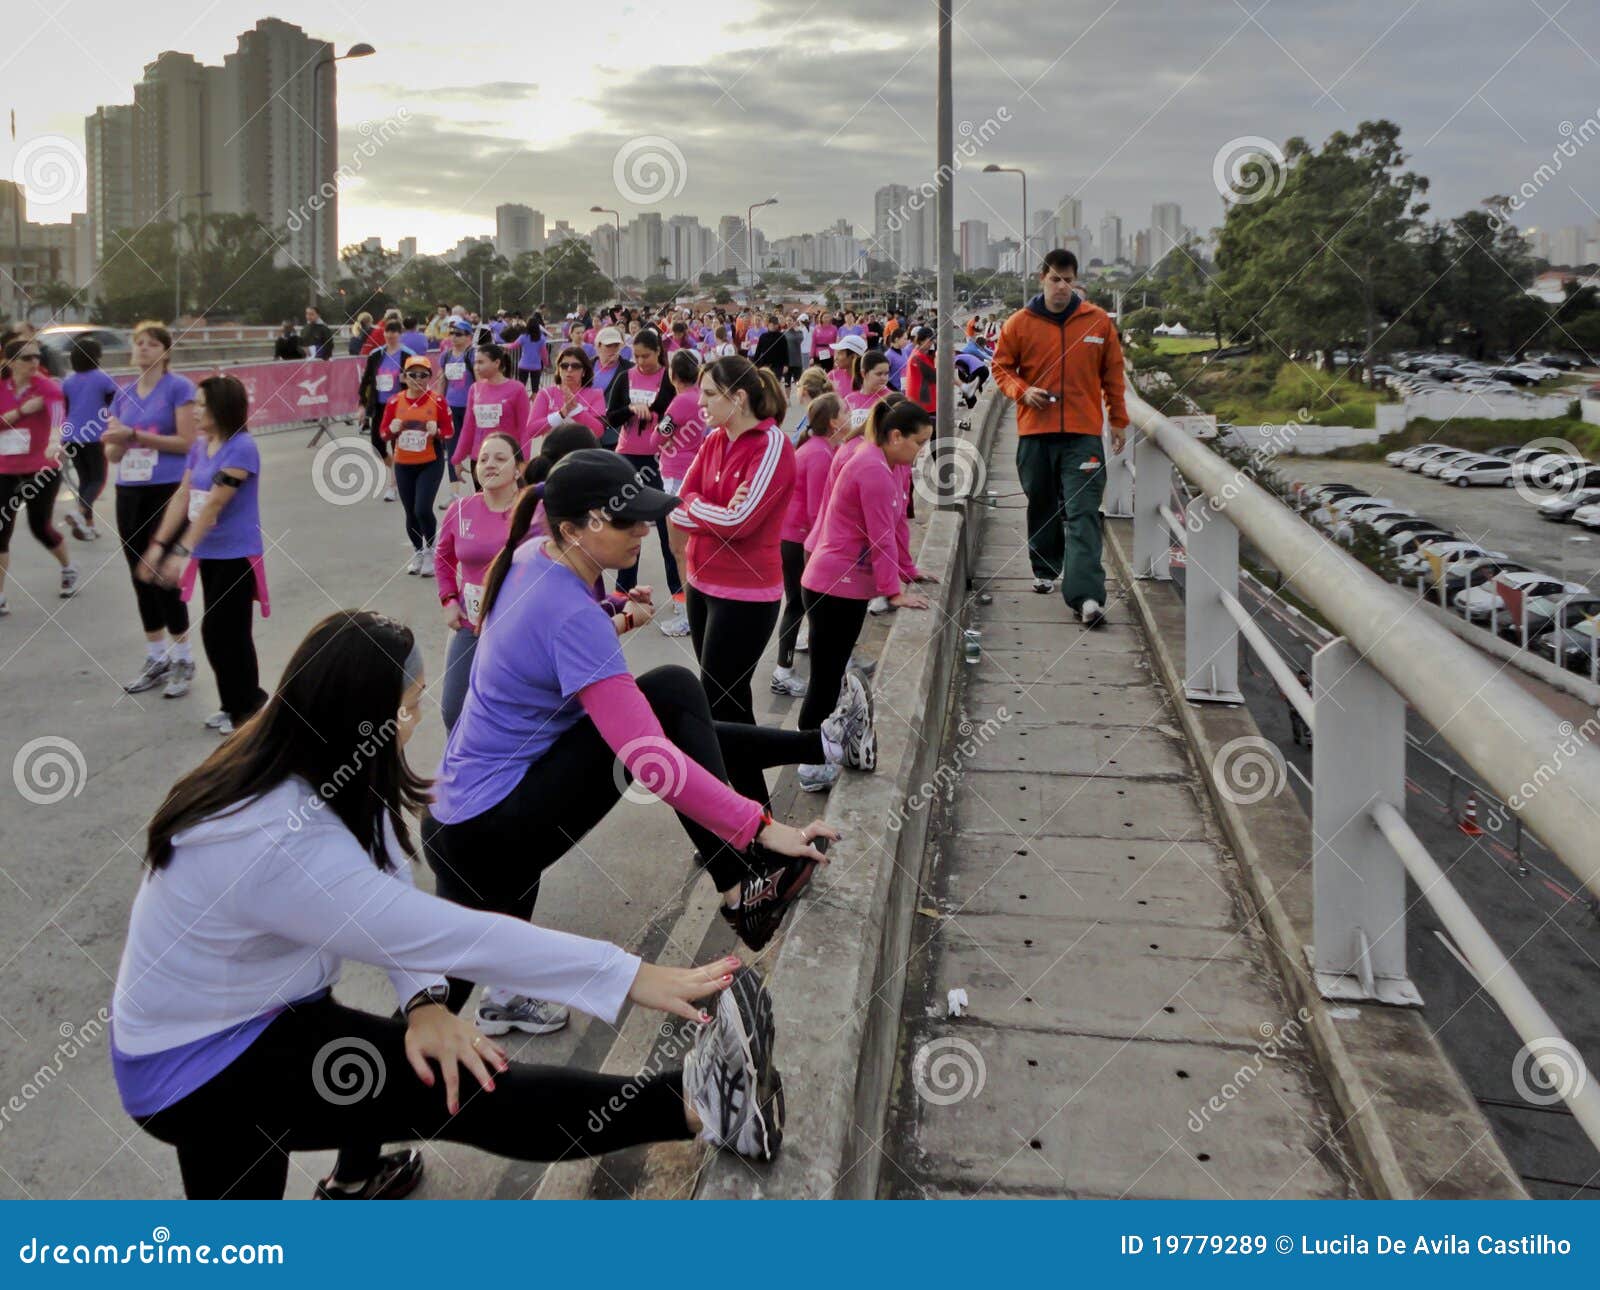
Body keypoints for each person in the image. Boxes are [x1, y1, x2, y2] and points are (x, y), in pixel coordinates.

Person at [112, 609, 787, 1201]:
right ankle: (703, 1105)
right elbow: (447, 934)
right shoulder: (273, 840)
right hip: (200, 1064)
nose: (415, 720)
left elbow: (387, 882)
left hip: (246, 1014)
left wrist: (424, 1003)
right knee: (469, 1092)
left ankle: (354, 1183)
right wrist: (630, 975)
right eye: (409, 707)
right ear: (362, 719)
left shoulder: (308, 754)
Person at [423, 451, 871, 1033]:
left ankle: (756, 859)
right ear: (573, 529)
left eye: (645, 516)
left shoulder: (537, 556)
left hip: (465, 818)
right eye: (626, 520)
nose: (643, 530)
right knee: (668, 698)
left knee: (432, 1009)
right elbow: (649, 760)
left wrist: (611, 606)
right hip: (490, 830)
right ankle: (743, 882)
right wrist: (761, 824)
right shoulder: (567, 611)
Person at [669, 356, 808, 805]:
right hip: (702, 584)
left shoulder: (771, 444)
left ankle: (748, 814)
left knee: (717, 707)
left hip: (745, 596)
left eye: (710, 394)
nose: (701, 403)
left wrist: (704, 508)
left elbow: (741, 523)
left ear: (739, 397)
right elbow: (674, 505)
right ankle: (752, 816)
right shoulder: (712, 440)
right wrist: (714, 508)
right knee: (730, 706)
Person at [797, 399, 934, 789]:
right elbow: (880, 537)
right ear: (895, 435)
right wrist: (893, 592)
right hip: (832, 585)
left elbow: (898, 524)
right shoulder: (870, 466)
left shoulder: (892, 463)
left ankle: (820, 749)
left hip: (845, 585)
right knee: (824, 678)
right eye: (918, 442)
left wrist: (908, 571)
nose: (921, 451)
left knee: (833, 673)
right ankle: (808, 762)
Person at [992, 248, 1128, 626]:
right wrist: (1022, 390)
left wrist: (1118, 419)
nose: (1062, 287)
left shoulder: (1097, 323)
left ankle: (1086, 596)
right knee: (1042, 502)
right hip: (1035, 432)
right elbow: (1001, 368)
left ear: (1076, 282)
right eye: (1055, 279)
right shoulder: (1019, 323)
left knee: (1084, 512)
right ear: (1042, 279)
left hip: (1083, 435)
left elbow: (1113, 376)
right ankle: (1045, 566)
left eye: (1069, 280)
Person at [139, 375, 266, 735]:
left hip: (236, 554)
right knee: (218, 631)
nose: (194, 411)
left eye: (201, 405)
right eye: (194, 404)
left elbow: (213, 504)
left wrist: (180, 551)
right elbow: (183, 496)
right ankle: (233, 703)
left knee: (228, 631)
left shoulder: (242, 447)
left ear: (222, 407)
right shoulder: (201, 445)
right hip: (209, 553)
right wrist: (159, 544)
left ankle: (250, 706)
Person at [104, 323, 197, 695]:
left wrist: (135, 436)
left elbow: (187, 442)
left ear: (165, 351)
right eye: (137, 342)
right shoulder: (123, 394)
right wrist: (116, 442)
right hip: (129, 488)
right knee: (138, 572)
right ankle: (156, 654)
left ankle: (183, 657)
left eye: (151, 343)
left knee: (162, 574)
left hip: (167, 489)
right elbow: (112, 453)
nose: (142, 348)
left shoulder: (179, 388)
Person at [435, 431, 522, 732]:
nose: (489, 464)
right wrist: (448, 599)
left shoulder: (532, 513)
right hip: (471, 626)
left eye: (500, 458)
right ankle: (459, 775)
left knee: (510, 718)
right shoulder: (460, 510)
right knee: (454, 711)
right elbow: (443, 556)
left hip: (518, 632)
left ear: (518, 469)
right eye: (483, 459)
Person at [773, 393, 847, 703]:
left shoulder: (819, 448)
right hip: (798, 540)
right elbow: (818, 511)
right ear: (833, 422)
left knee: (801, 605)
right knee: (797, 605)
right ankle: (782, 671)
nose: (850, 413)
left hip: (796, 537)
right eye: (845, 410)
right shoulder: (819, 455)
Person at [0, 337, 74, 615]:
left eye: (37, 357)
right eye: (27, 358)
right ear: (9, 361)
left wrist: (55, 441)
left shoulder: (46, 386)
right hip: (5, 469)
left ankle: (68, 567)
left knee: (39, 527)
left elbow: (58, 415)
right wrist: (20, 411)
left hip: (41, 468)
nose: (35, 363)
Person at [612, 328, 680, 601]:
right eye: (637, 356)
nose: (641, 362)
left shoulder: (669, 380)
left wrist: (653, 414)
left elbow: (676, 415)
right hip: (627, 456)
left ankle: (678, 592)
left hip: (659, 458)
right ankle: (623, 589)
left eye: (647, 356)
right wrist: (630, 409)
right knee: (628, 525)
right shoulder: (624, 378)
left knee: (667, 528)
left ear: (659, 353)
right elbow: (610, 417)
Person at [380, 355, 454, 575]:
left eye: (423, 375)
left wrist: (437, 432)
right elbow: (383, 434)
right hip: (403, 464)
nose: (418, 379)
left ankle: (431, 551)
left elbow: (449, 432)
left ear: (429, 378)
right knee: (410, 512)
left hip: (430, 463)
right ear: (404, 377)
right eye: (413, 374)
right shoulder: (395, 402)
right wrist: (392, 430)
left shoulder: (438, 401)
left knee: (422, 508)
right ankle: (418, 551)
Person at [656, 350, 706, 638]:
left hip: (676, 476)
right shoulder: (701, 398)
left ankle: (691, 614)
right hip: (694, 473)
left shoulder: (679, 402)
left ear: (673, 376)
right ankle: (695, 610)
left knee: (680, 550)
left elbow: (659, 436)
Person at [60, 337, 118, 542]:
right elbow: (115, 406)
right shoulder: (103, 379)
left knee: (85, 480)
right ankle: (79, 511)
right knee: (98, 480)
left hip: (70, 436)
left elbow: (66, 409)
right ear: (96, 357)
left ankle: (89, 525)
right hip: (93, 436)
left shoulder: (68, 381)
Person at [359, 320, 414, 504]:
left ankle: (393, 485)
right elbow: (366, 381)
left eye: (394, 332)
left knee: (398, 445)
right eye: (387, 332)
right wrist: (362, 406)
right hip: (380, 406)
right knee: (377, 444)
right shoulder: (376, 355)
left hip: (400, 406)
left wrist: (406, 380)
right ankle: (397, 470)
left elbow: (419, 380)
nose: (390, 336)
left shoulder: (408, 355)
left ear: (400, 334)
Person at [531, 344, 607, 442]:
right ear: (558, 369)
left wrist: (576, 411)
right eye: (564, 366)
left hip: (582, 454)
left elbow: (599, 431)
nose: (569, 369)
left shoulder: (596, 394)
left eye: (575, 366)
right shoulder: (545, 393)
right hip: (552, 455)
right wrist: (561, 414)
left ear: (584, 371)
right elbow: (532, 431)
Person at [905, 326, 937, 417]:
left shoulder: (917, 352)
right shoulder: (918, 356)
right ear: (921, 340)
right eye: (930, 340)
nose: (932, 343)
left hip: (921, 401)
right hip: (923, 403)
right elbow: (935, 377)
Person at [829, 332, 867, 400]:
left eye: (840, 354)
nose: (836, 358)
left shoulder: (868, 380)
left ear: (853, 357)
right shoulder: (832, 376)